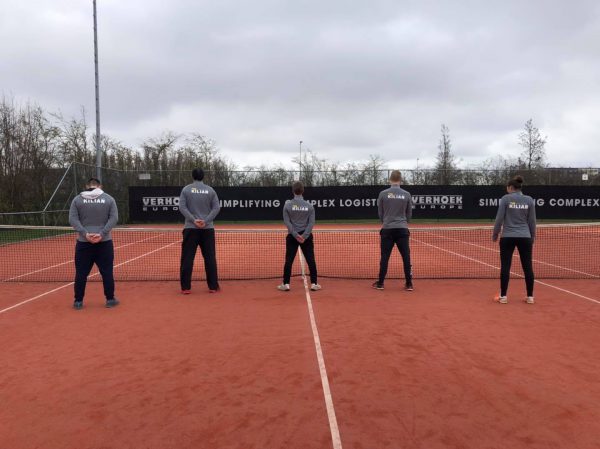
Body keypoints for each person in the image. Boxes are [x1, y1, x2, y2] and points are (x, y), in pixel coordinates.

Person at [68, 177, 119, 310]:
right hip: (104, 242)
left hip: (83, 243)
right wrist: (102, 234)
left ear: (87, 186)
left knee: (81, 273)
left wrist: (85, 234)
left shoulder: (77, 199)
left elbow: (72, 219)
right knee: (107, 272)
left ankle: (78, 301)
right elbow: (114, 218)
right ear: (99, 186)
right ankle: (110, 299)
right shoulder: (109, 199)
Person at [492, 175, 536, 304]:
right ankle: (530, 297)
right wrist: (532, 236)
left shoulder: (506, 199)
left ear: (511, 187)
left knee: (505, 266)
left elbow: (499, 219)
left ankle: (504, 296)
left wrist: (495, 234)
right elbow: (532, 221)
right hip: (525, 237)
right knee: (527, 267)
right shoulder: (529, 200)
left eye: (507, 187)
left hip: (507, 237)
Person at [179, 168, 221, 294]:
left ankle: (186, 287)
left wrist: (193, 220)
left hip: (190, 229)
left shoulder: (186, 189)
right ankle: (213, 286)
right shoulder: (210, 190)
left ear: (193, 176)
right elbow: (216, 208)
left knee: (187, 258)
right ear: (203, 177)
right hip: (207, 230)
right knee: (210, 258)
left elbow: (182, 207)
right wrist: (206, 221)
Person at [373, 170, 413, 291]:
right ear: (400, 180)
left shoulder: (383, 194)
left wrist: (385, 222)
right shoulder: (406, 194)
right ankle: (409, 284)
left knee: (385, 257)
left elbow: (380, 213)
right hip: (402, 230)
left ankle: (380, 283)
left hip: (387, 230)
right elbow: (409, 214)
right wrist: (404, 222)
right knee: (406, 257)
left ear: (390, 180)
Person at [278, 181, 321, 292]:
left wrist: (296, 235)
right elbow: (311, 223)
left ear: (293, 191)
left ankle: (286, 284)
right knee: (311, 260)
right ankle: (314, 283)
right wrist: (304, 236)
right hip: (306, 238)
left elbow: (287, 222)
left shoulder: (287, 205)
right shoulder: (310, 206)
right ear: (303, 191)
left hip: (292, 237)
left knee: (289, 260)